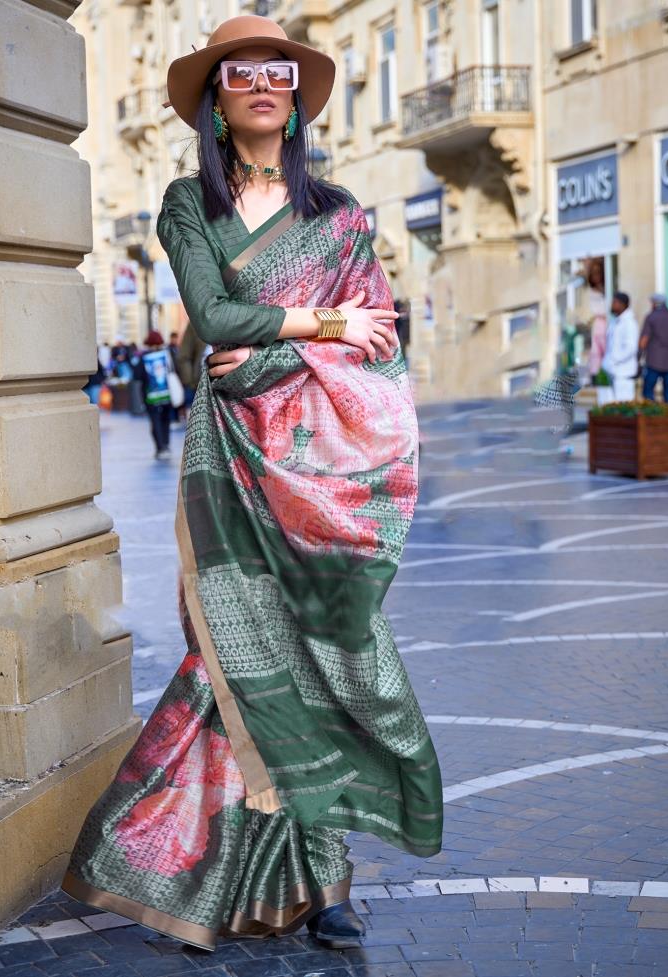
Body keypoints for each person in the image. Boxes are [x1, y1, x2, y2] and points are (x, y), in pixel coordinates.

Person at [62, 14, 442, 953]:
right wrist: (323, 324)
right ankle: (200, 867)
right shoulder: (188, 202)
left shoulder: (339, 215)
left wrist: (273, 354)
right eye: (242, 73)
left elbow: (376, 350)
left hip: (321, 474)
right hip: (228, 464)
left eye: (280, 69)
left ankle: (325, 881)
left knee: (328, 657)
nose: (264, 83)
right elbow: (213, 314)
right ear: (216, 100)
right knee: (232, 657)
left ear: (297, 96)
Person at [133, 330, 173, 458]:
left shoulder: (143, 357)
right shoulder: (166, 354)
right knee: (166, 419)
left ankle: (160, 448)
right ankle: (166, 444)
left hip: (150, 395)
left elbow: (137, 375)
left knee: (155, 420)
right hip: (167, 393)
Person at [602, 291, 639, 403]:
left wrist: (613, 359)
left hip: (624, 374)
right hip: (612, 372)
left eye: (615, 302)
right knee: (610, 407)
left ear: (623, 304)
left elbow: (631, 348)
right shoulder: (615, 322)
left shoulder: (629, 323)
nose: (612, 305)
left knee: (623, 408)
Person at [640, 292, 668, 402]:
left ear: (654, 304)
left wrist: (638, 356)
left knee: (648, 393)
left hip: (654, 361)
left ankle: (652, 412)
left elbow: (644, 340)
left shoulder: (651, 317)